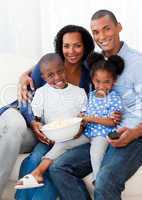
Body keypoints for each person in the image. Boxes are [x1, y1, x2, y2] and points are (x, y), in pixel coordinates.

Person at [47, 9, 142, 200]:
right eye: (96, 32)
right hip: (99, 132)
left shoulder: (137, 62)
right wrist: (26, 74)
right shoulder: (94, 61)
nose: (102, 36)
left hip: (132, 136)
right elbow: (61, 63)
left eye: (106, 29)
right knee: (58, 168)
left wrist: (135, 132)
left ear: (119, 27)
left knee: (105, 179)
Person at [15, 54, 124, 190]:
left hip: (101, 135)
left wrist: (88, 119)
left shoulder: (113, 98)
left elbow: (112, 122)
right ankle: (38, 173)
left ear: (113, 81)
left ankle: (99, 182)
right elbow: (84, 115)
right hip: (88, 132)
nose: (101, 86)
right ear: (92, 80)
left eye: (106, 82)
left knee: (96, 153)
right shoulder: (90, 95)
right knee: (62, 144)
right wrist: (82, 119)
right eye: (98, 81)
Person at [15, 25, 95, 200]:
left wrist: (82, 125)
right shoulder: (49, 69)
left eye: (77, 45)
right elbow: (32, 100)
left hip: (74, 136)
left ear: (85, 47)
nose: (71, 51)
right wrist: (34, 123)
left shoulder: (90, 75)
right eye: (66, 46)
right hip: (48, 133)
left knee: (54, 162)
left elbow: (88, 111)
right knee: (35, 157)